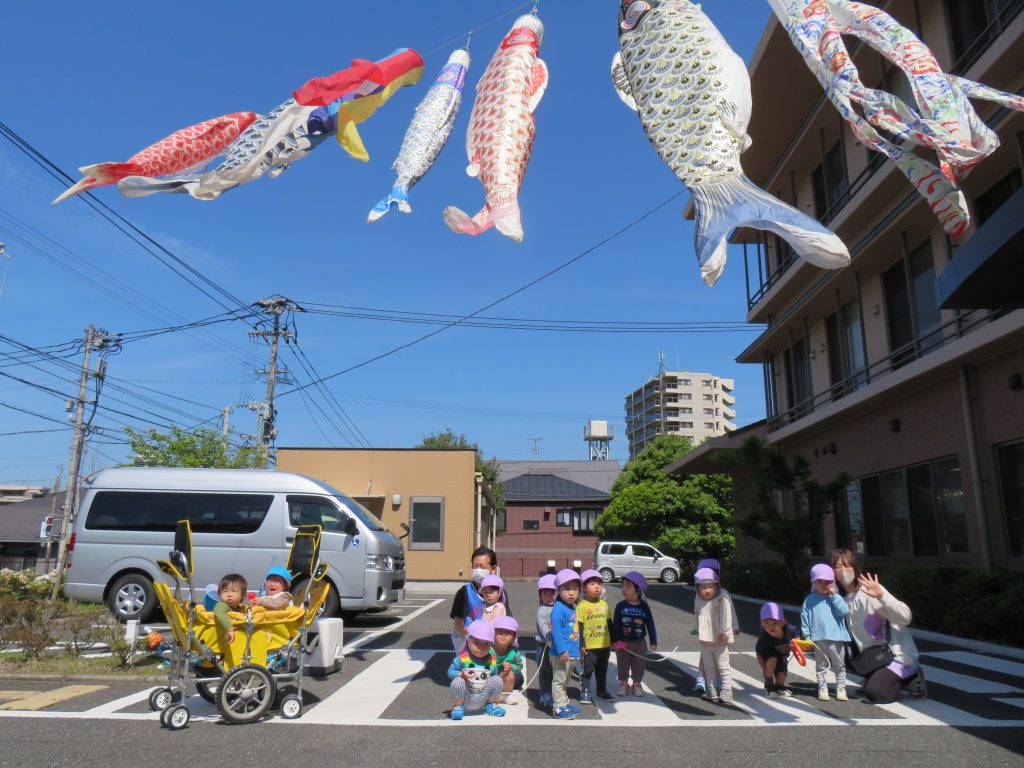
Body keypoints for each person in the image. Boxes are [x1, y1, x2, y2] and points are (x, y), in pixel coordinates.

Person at [831, 548, 927, 704]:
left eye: (847, 565)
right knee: (838, 651)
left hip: (896, 656)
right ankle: (874, 676)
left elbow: (905, 616)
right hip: (874, 657)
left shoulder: (870, 591)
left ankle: (911, 677)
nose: (842, 570)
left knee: (877, 694)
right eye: (837, 566)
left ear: (855, 567)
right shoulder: (839, 599)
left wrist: (882, 596)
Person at [801, 563, 851, 701]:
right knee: (821, 665)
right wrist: (807, 636)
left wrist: (834, 596)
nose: (824, 584)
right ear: (813, 582)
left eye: (827, 581)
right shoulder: (809, 600)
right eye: (819, 581)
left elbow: (844, 611)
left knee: (839, 665)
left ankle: (841, 688)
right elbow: (805, 618)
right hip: (818, 639)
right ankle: (823, 688)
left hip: (837, 638)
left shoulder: (836, 598)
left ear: (833, 582)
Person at [693, 557, 741, 693]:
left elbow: (730, 613)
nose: (707, 588)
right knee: (706, 659)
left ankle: (723, 685)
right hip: (705, 635)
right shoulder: (699, 595)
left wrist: (734, 627)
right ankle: (705, 680)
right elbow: (697, 612)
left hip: (719, 635)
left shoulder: (722, 595)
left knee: (721, 661)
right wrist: (697, 628)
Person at [449, 546, 510, 650]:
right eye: (475, 566)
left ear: (493, 569)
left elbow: (507, 619)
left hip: (491, 644)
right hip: (467, 642)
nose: (478, 570)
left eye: (482, 567)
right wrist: (477, 639)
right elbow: (459, 625)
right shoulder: (464, 592)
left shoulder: (501, 592)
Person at [447, 619, 506, 720]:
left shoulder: (492, 661)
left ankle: (491, 705)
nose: (481, 647)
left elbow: (494, 677)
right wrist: (461, 674)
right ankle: (457, 707)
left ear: (491, 645)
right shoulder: (463, 658)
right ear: (468, 641)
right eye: (477, 642)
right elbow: (450, 672)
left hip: (483, 696)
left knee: (497, 679)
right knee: (457, 681)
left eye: (486, 644)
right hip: (466, 696)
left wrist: (503, 675)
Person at [611, 570, 657, 697]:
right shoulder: (620, 606)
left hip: (640, 641)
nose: (624, 589)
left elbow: (650, 623)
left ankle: (637, 683)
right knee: (623, 663)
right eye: (623, 585)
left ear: (638, 590)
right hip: (623, 641)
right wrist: (615, 640)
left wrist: (653, 641)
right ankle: (624, 683)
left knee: (639, 663)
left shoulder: (644, 606)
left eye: (628, 586)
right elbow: (616, 624)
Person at [549, 568, 583, 719]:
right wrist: (562, 650)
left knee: (565, 680)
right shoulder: (559, 609)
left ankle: (564, 701)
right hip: (561, 653)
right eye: (567, 589)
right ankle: (558, 707)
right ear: (558, 590)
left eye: (575, 589)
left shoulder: (571, 607)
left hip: (571, 652)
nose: (571, 593)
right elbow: (556, 632)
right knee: (559, 680)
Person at [576, 568, 614, 704]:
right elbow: (579, 627)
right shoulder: (581, 606)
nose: (597, 586)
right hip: (589, 647)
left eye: (599, 583)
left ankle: (601, 690)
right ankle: (585, 691)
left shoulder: (604, 604)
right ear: (584, 588)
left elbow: (610, 623)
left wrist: (614, 640)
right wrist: (581, 644)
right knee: (587, 670)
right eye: (592, 584)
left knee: (602, 670)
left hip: (604, 645)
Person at [756, 602, 799, 697]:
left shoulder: (790, 630)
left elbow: (797, 637)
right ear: (762, 624)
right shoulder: (764, 638)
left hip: (783, 655)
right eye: (767, 623)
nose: (771, 627)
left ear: (782, 622)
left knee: (782, 673)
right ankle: (769, 686)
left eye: (775, 623)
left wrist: (796, 643)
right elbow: (759, 654)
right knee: (772, 658)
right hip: (768, 655)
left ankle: (779, 687)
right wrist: (764, 669)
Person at [535, 573, 557, 708]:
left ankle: (554, 693)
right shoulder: (542, 610)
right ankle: (544, 694)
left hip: (557, 644)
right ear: (540, 595)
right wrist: (550, 640)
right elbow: (543, 629)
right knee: (544, 671)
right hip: (544, 645)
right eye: (545, 594)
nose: (549, 597)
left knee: (556, 671)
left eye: (552, 593)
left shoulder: (559, 607)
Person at [492, 616, 525, 703]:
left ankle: (506, 695)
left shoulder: (513, 652)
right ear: (493, 633)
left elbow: (519, 665)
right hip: (491, 676)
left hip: (508, 677)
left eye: (508, 632)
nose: (503, 634)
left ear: (513, 638)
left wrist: (511, 667)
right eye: (500, 631)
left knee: (514, 676)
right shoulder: (487, 649)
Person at [213, 573, 247, 644]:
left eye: (234, 591)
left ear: (243, 595)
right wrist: (230, 629)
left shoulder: (239, 608)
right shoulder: (222, 605)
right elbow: (219, 613)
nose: (229, 594)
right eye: (225, 591)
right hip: (222, 638)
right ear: (219, 594)